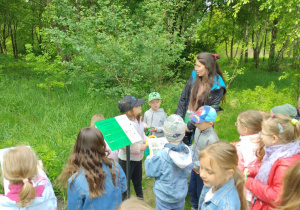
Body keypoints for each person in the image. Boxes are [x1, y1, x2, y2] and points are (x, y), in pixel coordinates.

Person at [58, 127, 126, 210]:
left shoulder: (75, 181)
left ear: (78, 148)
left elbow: (74, 207)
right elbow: (123, 188)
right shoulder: (115, 167)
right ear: (102, 146)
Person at [245, 114, 300, 210]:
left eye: (262, 133)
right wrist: (253, 171)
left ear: (274, 138)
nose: (260, 136)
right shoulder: (278, 154)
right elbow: (270, 171)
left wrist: (249, 182)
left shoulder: (285, 164)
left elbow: (277, 198)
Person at [175, 52, 226, 145]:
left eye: (199, 66)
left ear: (207, 67)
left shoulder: (218, 86)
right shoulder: (194, 76)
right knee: (183, 146)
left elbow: (209, 110)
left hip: (202, 123)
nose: (195, 68)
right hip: (187, 116)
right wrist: (179, 119)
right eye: (196, 65)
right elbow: (183, 98)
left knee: (200, 149)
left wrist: (191, 125)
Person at [145, 114, 193, 210]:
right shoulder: (189, 151)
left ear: (166, 133)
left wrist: (149, 158)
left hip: (164, 198)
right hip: (180, 195)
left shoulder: (161, 155)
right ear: (183, 132)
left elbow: (150, 171)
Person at [198, 141, 247, 210]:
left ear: (228, 174)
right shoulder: (214, 182)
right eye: (201, 167)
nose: (202, 174)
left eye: (209, 172)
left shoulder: (226, 206)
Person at [187, 105, 219, 210]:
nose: (196, 124)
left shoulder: (212, 140)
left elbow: (210, 161)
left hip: (204, 172)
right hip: (195, 169)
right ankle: (195, 206)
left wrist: (192, 163)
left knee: (202, 193)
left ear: (210, 123)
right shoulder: (198, 129)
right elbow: (196, 145)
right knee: (192, 189)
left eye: (199, 122)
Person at [118, 95, 148, 200]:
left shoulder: (138, 119)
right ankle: (124, 204)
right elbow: (123, 146)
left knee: (138, 181)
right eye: (137, 105)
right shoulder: (125, 124)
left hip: (138, 159)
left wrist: (148, 140)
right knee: (124, 186)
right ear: (130, 110)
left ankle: (141, 201)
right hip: (126, 160)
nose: (140, 106)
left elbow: (141, 134)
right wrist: (140, 147)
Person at [235, 110, 263, 204]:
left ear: (245, 129)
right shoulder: (262, 139)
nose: (236, 125)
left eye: (237, 124)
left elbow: (246, 168)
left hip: (246, 189)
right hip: (258, 185)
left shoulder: (245, 146)